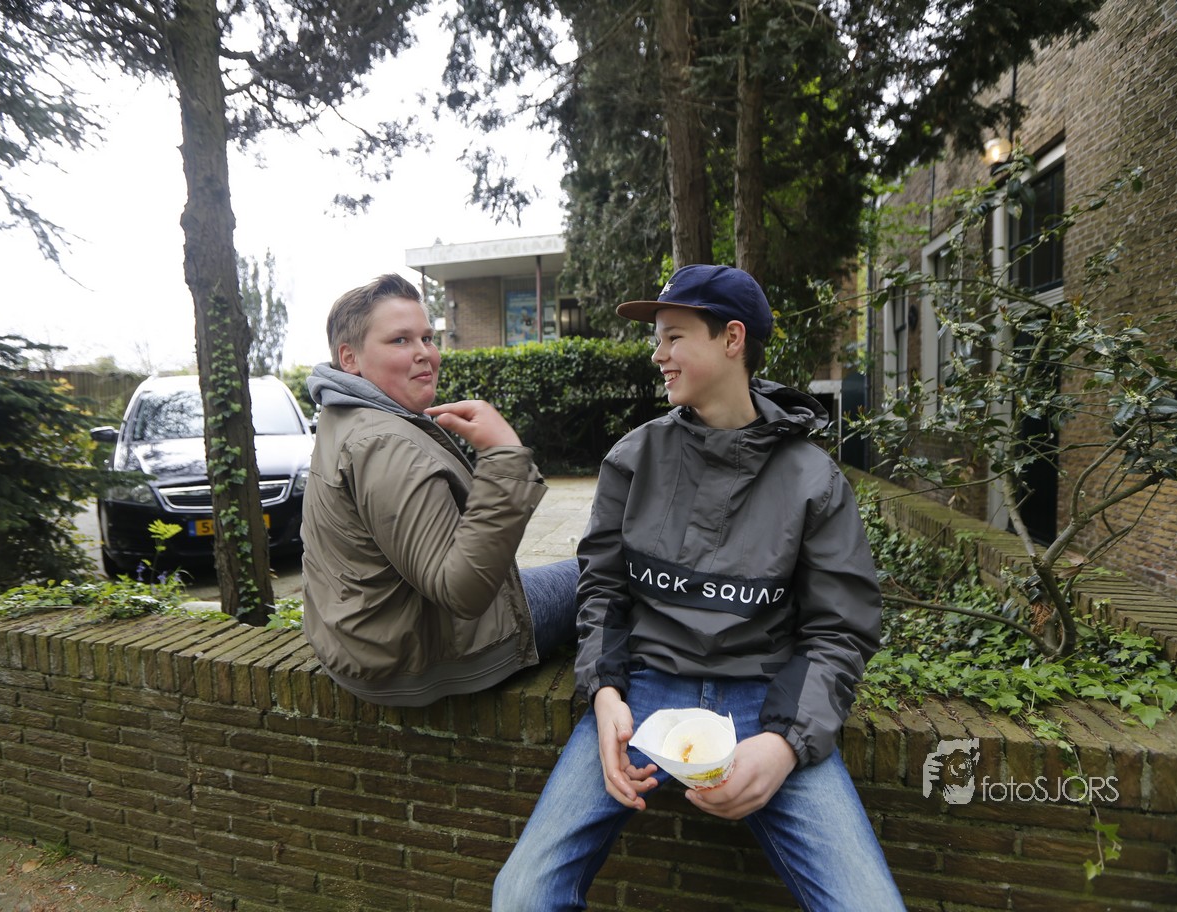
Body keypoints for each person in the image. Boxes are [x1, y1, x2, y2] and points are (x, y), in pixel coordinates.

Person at [493, 265, 904, 911]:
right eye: (656, 338)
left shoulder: (814, 480)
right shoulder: (633, 459)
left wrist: (784, 743)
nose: (657, 354)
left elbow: (840, 629)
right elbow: (601, 591)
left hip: (766, 703)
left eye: (674, 336)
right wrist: (605, 693)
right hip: (643, 698)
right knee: (521, 894)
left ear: (732, 339)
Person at [299, 273, 578, 707]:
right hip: (416, 657)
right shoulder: (384, 442)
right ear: (349, 358)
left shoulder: (342, 414)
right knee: (607, 573)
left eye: (427, 338)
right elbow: (461, 591)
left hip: (365, 640)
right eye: (400, 340)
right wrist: (504, 456)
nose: (425, 354)